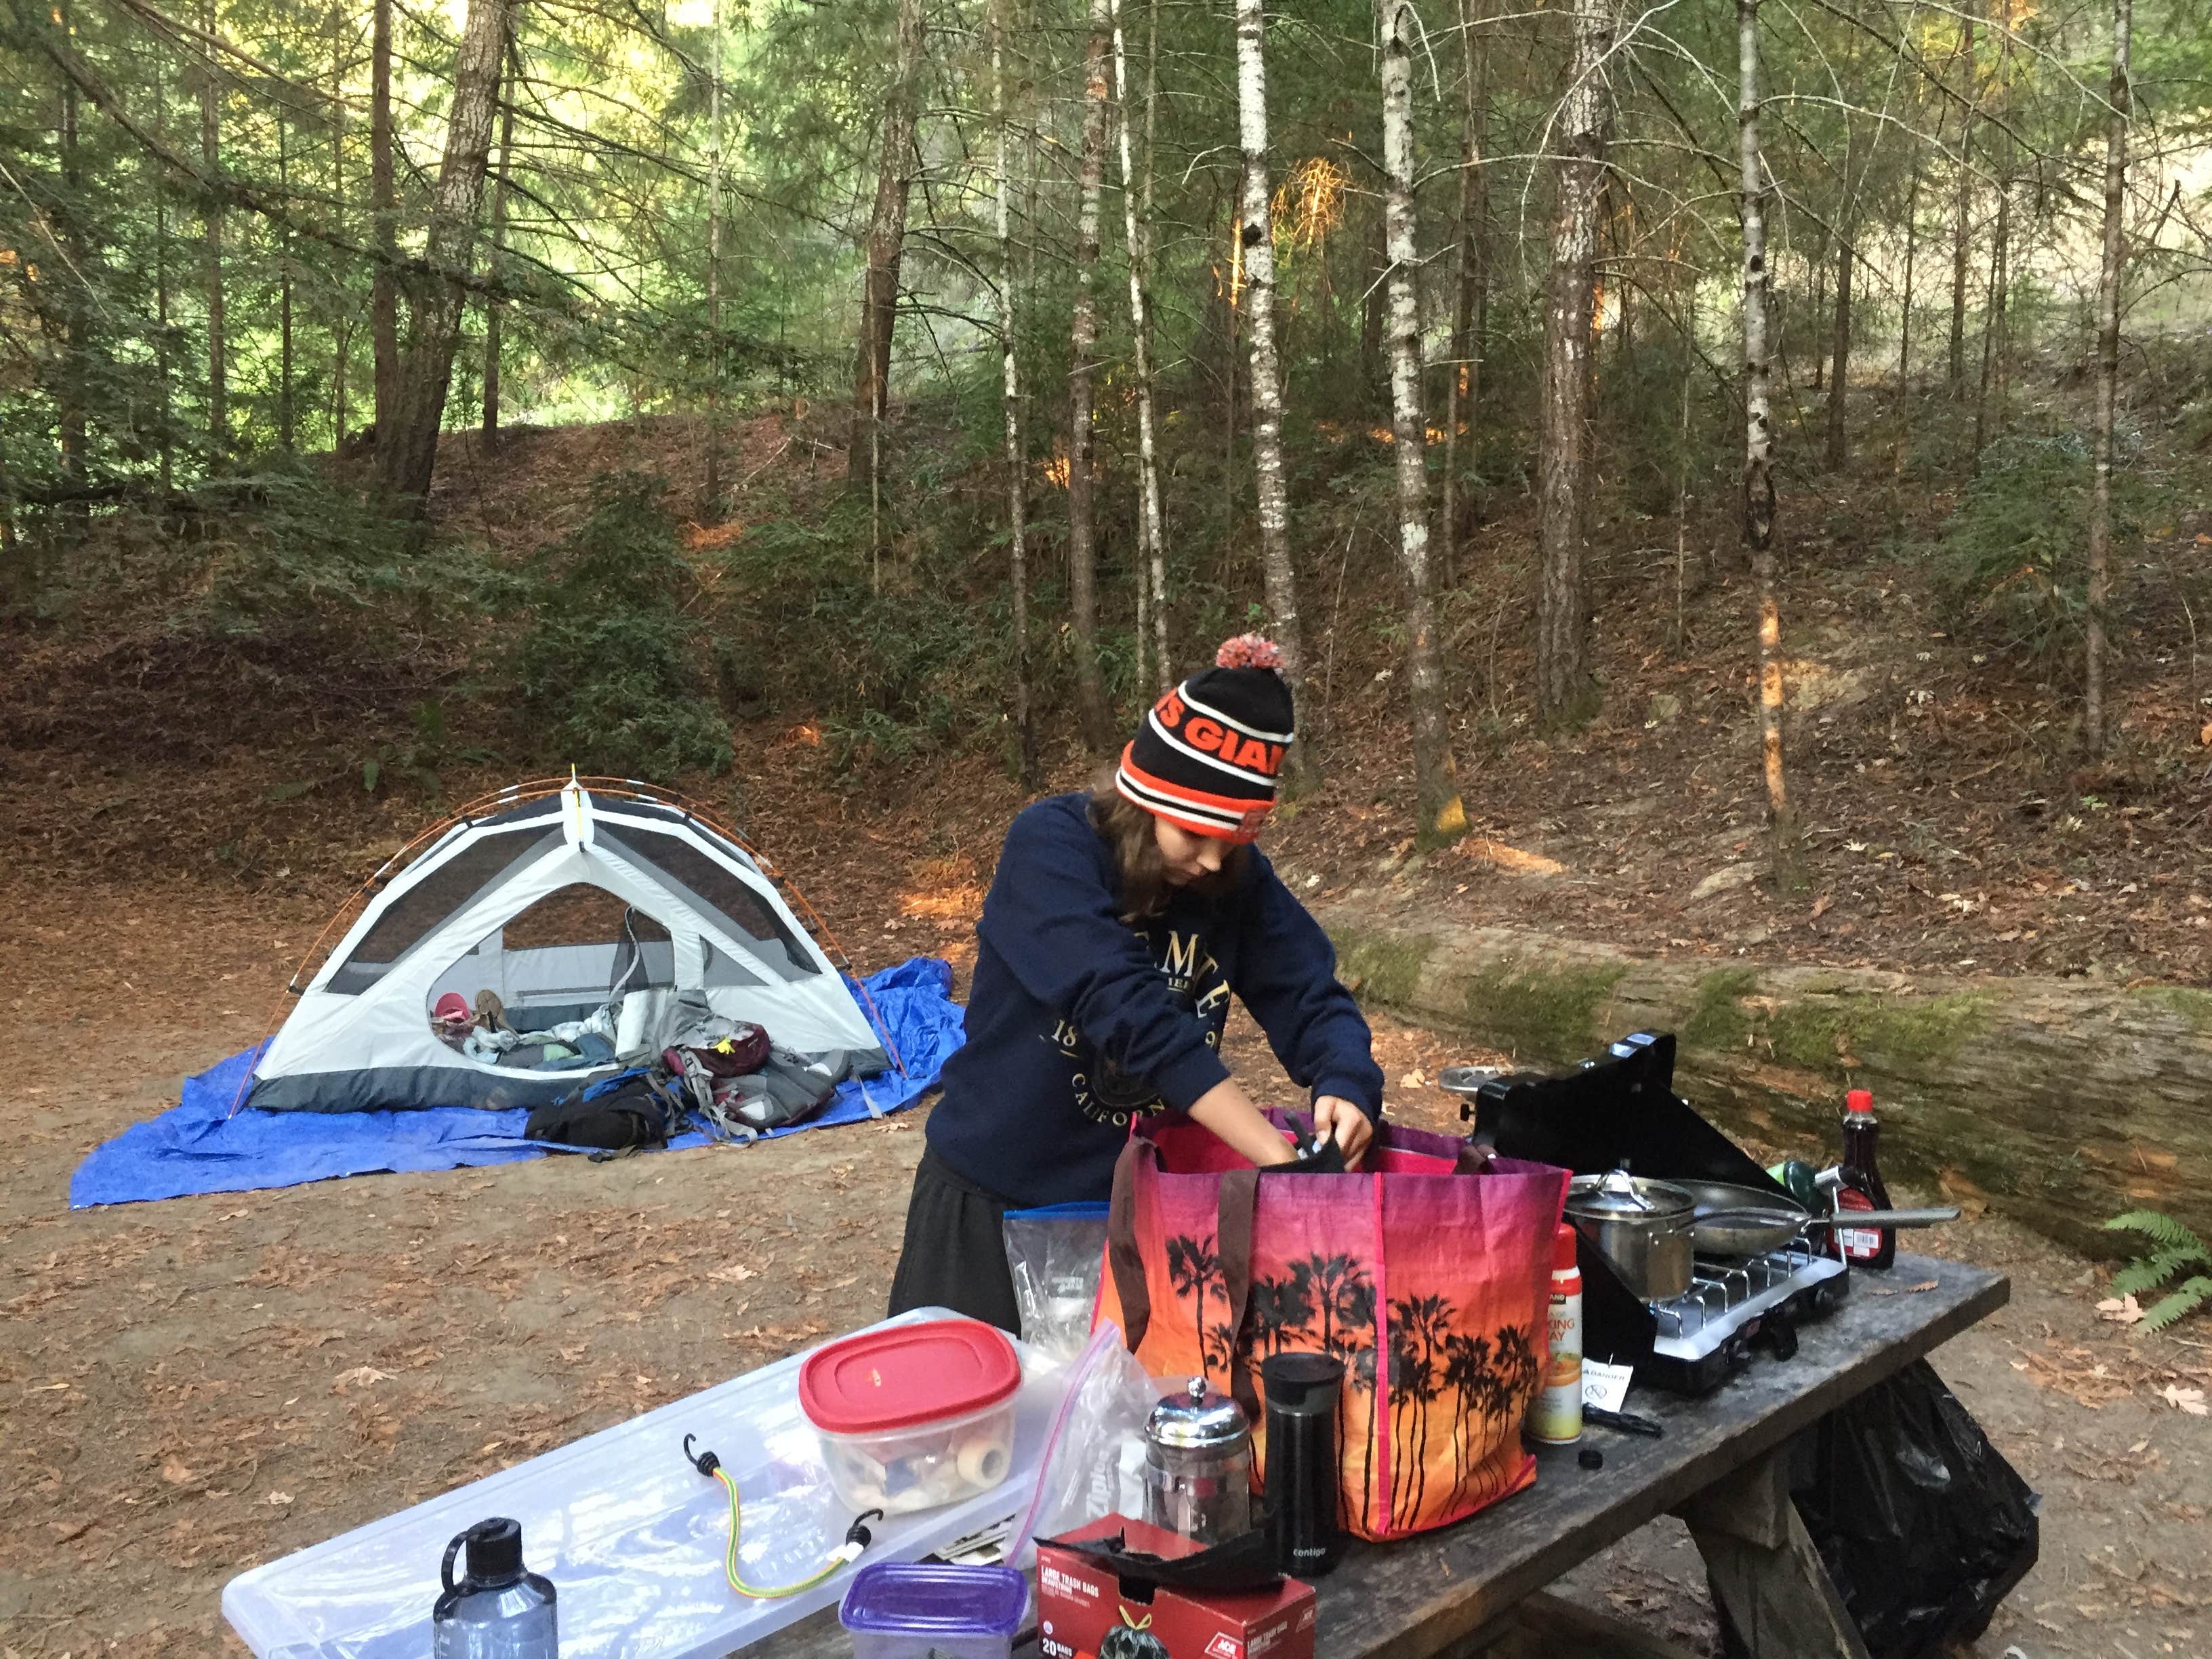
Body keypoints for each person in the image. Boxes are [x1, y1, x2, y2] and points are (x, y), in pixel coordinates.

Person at [888, 635, 1385, 1330]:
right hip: (991, 1202)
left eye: (1235, 840)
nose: (1214, 863)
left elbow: (1308, 989)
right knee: (953, 1432)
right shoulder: (1050, 849)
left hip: (1136, 1221)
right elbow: (1126, 1009)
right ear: (1145, 800)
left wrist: (1345, 1079)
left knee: (1115, 1435)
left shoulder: (1236, 883)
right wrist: (1279, 1160)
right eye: (1195, 832)